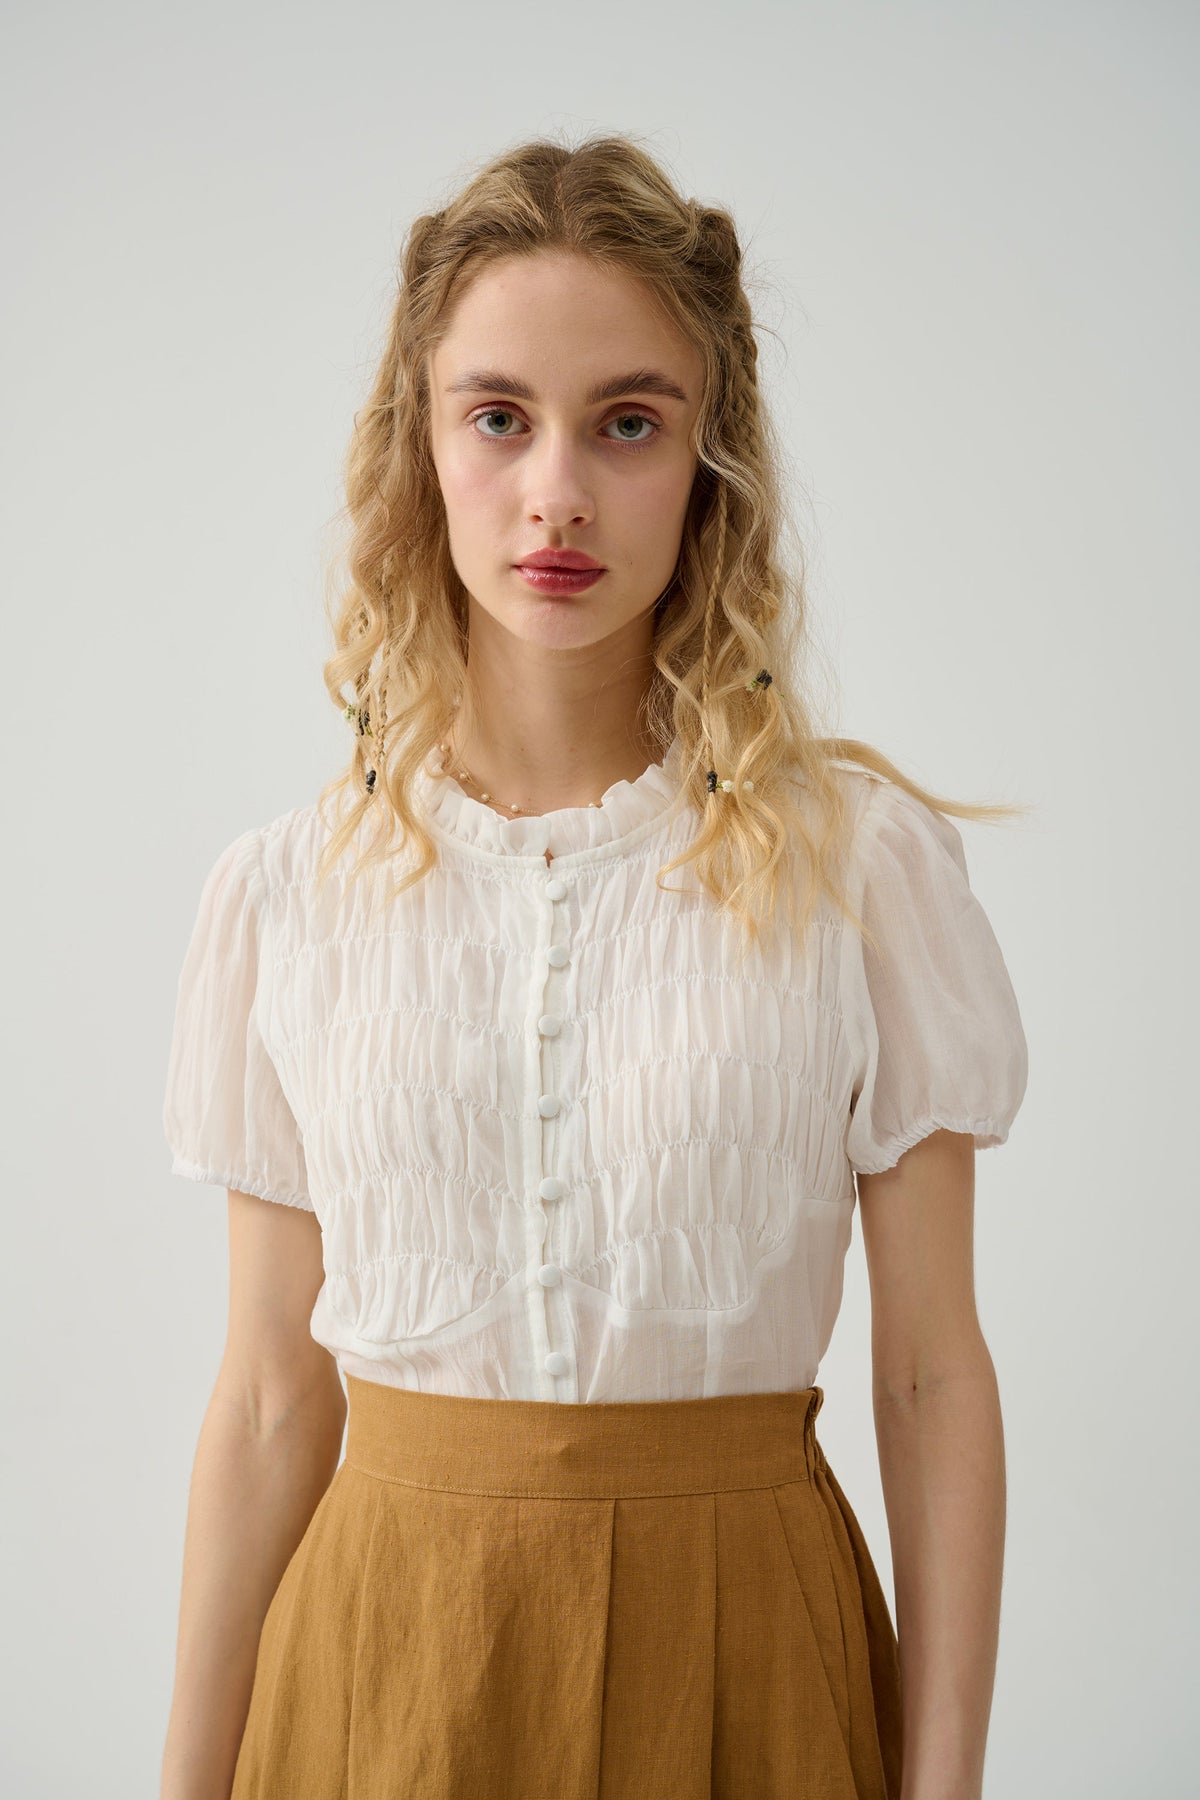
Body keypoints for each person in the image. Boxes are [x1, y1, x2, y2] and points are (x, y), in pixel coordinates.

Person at [159, 132, 1028, 1800]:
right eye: (499, 417)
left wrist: (948, 1787)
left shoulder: (861, 871)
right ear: (420, 445)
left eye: (628, 422)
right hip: (383, 1670)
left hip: (749, 1659)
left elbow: (931, 1379)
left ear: (709, 464)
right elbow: (269, 1402)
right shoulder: (288, 895)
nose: (555, 490)